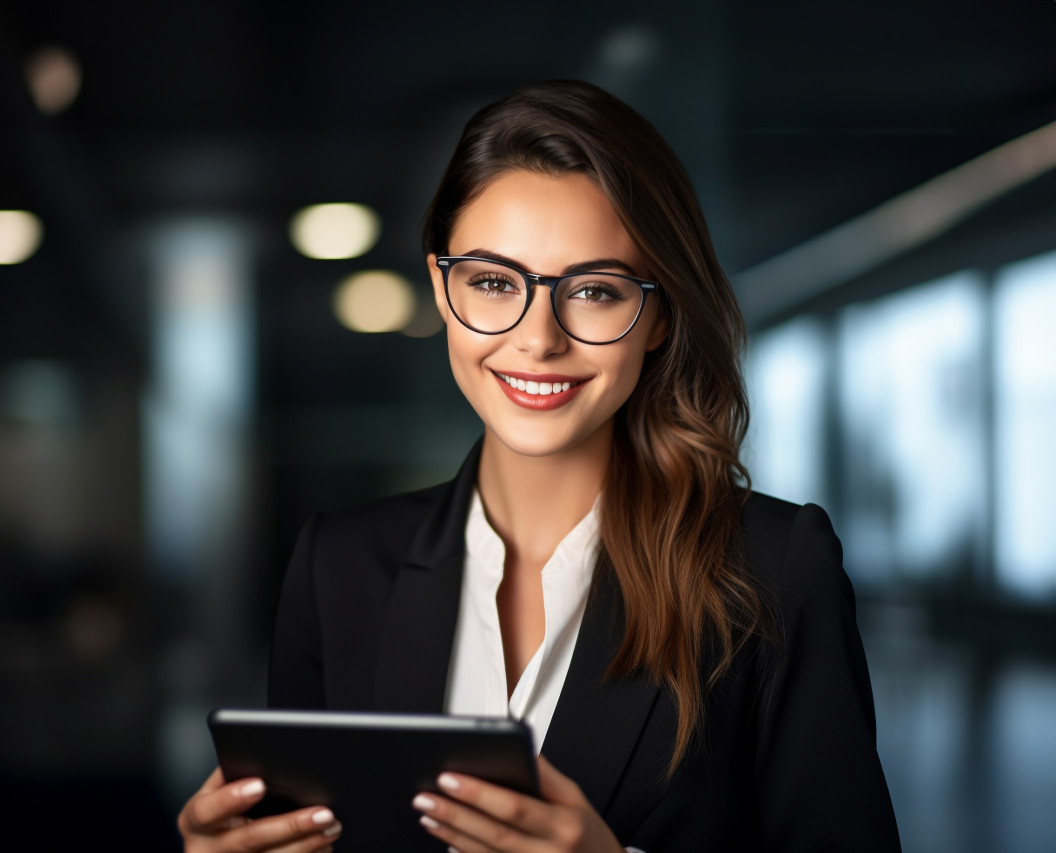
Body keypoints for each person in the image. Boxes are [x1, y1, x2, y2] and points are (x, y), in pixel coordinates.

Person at [178, 80, 902, 852]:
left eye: (593, 290)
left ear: (657, 317)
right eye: (493, 282)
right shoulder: (340, 567)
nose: (538, 339)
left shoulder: (773, 567)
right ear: (441, 287)